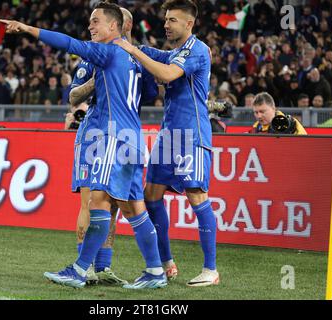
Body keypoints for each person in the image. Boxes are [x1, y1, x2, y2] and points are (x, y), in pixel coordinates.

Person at [0, 1, 166, 290]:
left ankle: (78, 270)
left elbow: (67, 43)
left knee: (98, 202)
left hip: (111, 138)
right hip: (134, 139)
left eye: (95, 21)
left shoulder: (108, 51)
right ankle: (155, 270)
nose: (90, 27)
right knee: (134, 209)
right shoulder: (137, 58)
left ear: (113, 26)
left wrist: (27, 28)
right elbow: (151, 91)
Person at [114, 0, 219, 287]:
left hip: (192, 136)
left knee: (197, 196)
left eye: (172, 20)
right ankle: (166, 262)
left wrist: (133, 49)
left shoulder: (196, 50)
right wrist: (127, 37)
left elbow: (166, 74)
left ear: (189, 23)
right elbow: (151, 54)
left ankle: (210, 270)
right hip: (169, 135)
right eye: (165, 19)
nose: (166, 24)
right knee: (151, 195)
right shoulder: (177, 52)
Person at [63, 7, 140, 287]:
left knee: (112, 206)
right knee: (90, 201)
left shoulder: (132, 57)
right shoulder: (93, 57)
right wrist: (97, 80)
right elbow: (73, 97)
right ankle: (84, 268)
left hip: (117, 137)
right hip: (93, 136)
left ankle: (103, 267)